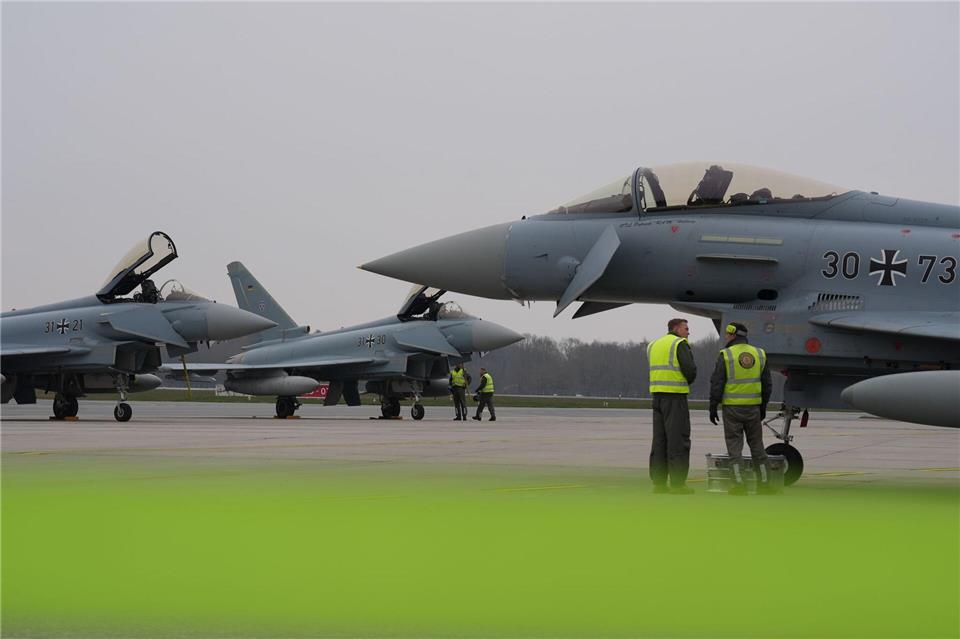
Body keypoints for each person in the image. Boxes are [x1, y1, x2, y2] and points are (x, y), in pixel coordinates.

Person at [709, 323, 773, 495]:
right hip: (753, 409)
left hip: (732, 409)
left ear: (732, 335)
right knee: (757, 447)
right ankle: (765, 484)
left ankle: (738, 485)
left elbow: (717, 383)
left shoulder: (726, 355)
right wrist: (763, 406)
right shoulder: (759, 354)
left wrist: (713, 406)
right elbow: (767, 384)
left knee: (734, 448)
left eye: (727, 334)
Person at [646, 318, 697, 494]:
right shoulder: (679, 344)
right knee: (678, 440)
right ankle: (678, 483)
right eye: (686, 328)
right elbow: (690, 370)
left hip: (657, 396)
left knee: (659, 440)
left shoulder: (653, 344)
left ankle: (659, 483)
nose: (688, 332)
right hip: (675, 397)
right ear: (676, 328)